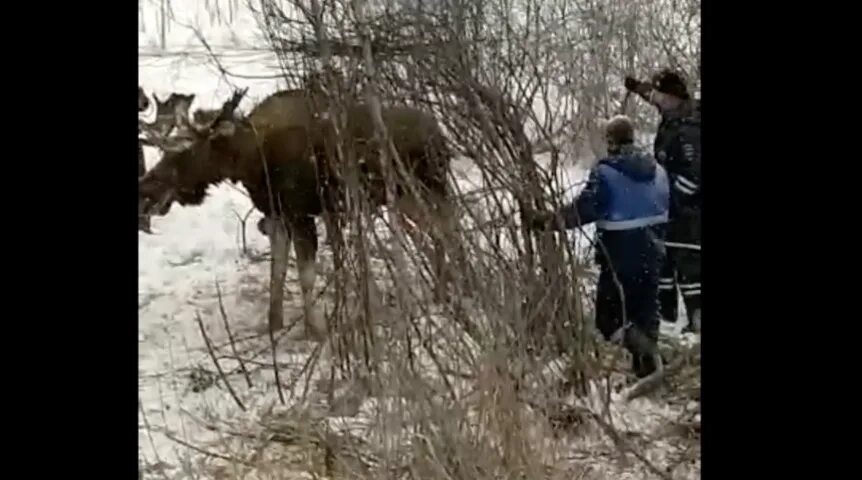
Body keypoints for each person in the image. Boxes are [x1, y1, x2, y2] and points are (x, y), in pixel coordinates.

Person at [528, 115, 670, 379]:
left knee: (609, 320)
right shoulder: (658, 171)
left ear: (610, 142)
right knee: (645, 312)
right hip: (654, 251)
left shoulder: (606, 173)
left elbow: (583, 211)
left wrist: (547, 221)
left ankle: (648, 354)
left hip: (619, 254)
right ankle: (648, 371)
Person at [625, 69, 701, 333]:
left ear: (677, 98)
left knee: (689, 266)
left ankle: (697, 321)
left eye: (664, 97)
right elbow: (653, 95)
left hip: (689, 211)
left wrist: (670, 198)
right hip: (667, 207)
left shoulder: (690, 128)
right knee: (663, 262)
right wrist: (638, 87)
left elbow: (694, 178)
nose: (659, 101)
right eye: (658, 97)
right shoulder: (671, 114)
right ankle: (666, 318)